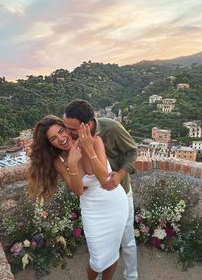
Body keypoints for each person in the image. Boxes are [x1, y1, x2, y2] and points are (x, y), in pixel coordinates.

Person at [28, 115, 129, 280]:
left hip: (114, 204)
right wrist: (73, 164)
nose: (61, 139)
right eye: (53, 138)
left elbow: (105, 178)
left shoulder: (93, 141)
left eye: (61, 131)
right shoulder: (58, 160)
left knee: (112, 253)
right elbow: (79, 191)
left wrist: (88, 150)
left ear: (67, 128)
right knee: (97, 260)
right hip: (92, 209)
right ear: (50, 143)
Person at [63, 99, 138, 280]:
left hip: (119, 189)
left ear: (87, 124)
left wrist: (119, 174)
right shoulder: (71, 144)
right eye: (65, 126)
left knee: (127, 240)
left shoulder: (111, 128)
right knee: (100, 249)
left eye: (72, 129)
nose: (67, 132)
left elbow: (133, 151)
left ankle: (132, 276)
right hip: (96, 200)